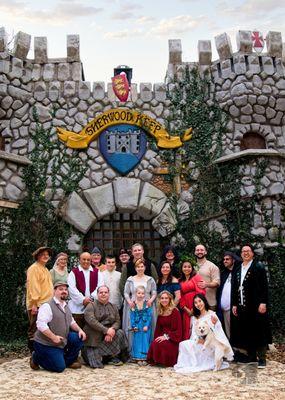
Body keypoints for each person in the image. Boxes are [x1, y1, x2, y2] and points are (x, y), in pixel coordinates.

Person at [30, 281, 86, 372]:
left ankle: (66, 360)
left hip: (60, 342)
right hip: (46, 343)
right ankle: (36, 357)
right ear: (54, 291)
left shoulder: (66, 306)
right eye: (60, 289)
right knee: (59, 368)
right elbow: (41, 325)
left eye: (65, 289)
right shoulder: (47, 306)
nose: (64, 291)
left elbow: (71, 322)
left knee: (78, 338)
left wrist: (80, 330)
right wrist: (53, 337)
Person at [231, 244, 272, 368]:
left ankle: (262, 359)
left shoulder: (258, 267)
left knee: (259, 331)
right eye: (243, 251)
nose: (245, 253)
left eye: (248, 251)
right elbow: (235, 287)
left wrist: (263, 302)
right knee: (247, 331)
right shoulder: (238, 268)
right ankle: (252, 357)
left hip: (256, 305)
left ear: (252, 253)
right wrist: (234, 304)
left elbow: (264, 286)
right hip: (243, 305)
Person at [174, 294, 233, 374]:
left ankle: (209, 361)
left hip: (210, 344)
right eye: (195, 303)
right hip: (199, 341)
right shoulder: (194, 317)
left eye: (199, 301)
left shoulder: (212, 314)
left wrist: (215, 324)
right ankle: (191, 363)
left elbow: (219, 333)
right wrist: (197, 340)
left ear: (204, 301)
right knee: (183, 344)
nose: (198, 304)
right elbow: (194, 334)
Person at [82, 286, 129, 368]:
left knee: (120, 332)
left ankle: (113, 356)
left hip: (109, 334)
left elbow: (117, 321)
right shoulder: (91, 306)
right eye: (101, 292)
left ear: (109, 294)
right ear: (97, 294)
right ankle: (103, 357)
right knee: (96, 364)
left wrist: (112, 330)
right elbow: (91, 321)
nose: (103, 294)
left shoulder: (113, 306)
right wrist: (106, 330)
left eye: (105, 292)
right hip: (94, 335)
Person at [123, 258, 157, 349]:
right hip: (134, 306)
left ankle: (147, 351)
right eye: (138, 267)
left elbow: (154, 292)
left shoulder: (150, 279)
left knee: (146, 327)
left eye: (142, 266)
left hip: (147, 306)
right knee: (135, 327)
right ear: (135, 268)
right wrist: (129, 302)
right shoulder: (130, 279)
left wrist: (151, 300)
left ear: (145, 267)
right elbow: (126, 292)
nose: (140, 268)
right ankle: (133, 351)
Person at [26, 246, 54, 352]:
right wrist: (34, 303)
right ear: (37, 256)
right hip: (37, 304)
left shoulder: (45, 269)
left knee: (43, 329)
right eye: (43, 254)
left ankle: (40, 352)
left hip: (46, 304)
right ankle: (33, 354)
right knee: (34, 329)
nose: (45, 256)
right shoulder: (34, 268)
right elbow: (33, 287)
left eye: (47, 254)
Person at [67, 252, 104, 328]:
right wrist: (83, 300)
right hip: (76, 309)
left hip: (92, 307)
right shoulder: (73, 272)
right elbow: (71, 288)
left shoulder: (97, 272)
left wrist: (91, 298)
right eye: (84, 259)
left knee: (91, 331)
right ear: (79, 260)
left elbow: (100, 287)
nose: (86, 261)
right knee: (77, 332)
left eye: (88, 260)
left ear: (91, 261)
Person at [147, 291, 182, 367]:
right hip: (162, 336)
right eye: (162, 298)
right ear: (159, 300)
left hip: (173, 339)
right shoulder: (161, 312)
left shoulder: (175, 311)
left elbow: (178, 331)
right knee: (155, 343)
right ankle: (157, 361)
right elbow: (158, 329)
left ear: (170, 299)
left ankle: (165, 362)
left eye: (166, 298)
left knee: (163, 344)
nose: (164, 300)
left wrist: (166, 337)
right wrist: (157, 338)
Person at [179, 259, 206, 340]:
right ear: (181, 268)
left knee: (198, 326)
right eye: (185, 267)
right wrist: (186, 309)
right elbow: (180, 296)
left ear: (192, 268)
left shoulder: (196, 277)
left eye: (189, 267)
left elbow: (201, 292)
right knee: (187, 328)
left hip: (197, 306)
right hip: (186, 309)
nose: (187, 269)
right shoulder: (180, 281)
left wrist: (194, 308)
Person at [216, 251, 239, 340]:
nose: (225, 261)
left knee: (236, 329)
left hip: (234, 307)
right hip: (223, 309)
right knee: (227, 330)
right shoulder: (223, 273)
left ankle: (239, 350)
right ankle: (231, 350)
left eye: (227, 259)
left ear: (233, 260)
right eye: (224, 259)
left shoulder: (238, 272)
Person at [129, 286, 152, 364]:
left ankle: (145, 357)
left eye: (142, 293)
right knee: (137, 340)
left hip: (145, 324)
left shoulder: (147, 303)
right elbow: (132, 316)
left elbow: (149, 315)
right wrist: (133, 325)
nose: (140, 295)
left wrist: (147, 325)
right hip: (137, 324)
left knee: (145, 340)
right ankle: (138, 357)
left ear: (144, 294)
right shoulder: (133, 304)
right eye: (139, 293)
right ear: (136, 294)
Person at [195, 244, 220, 310]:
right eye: (197, 250)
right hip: (196, 303)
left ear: (205, 252)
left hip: (209, 302)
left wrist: (206, 284)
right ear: (195, 252)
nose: (199, 251)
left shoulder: (212, 266)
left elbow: (217, 283)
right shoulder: (192, 266)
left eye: (201, 250)